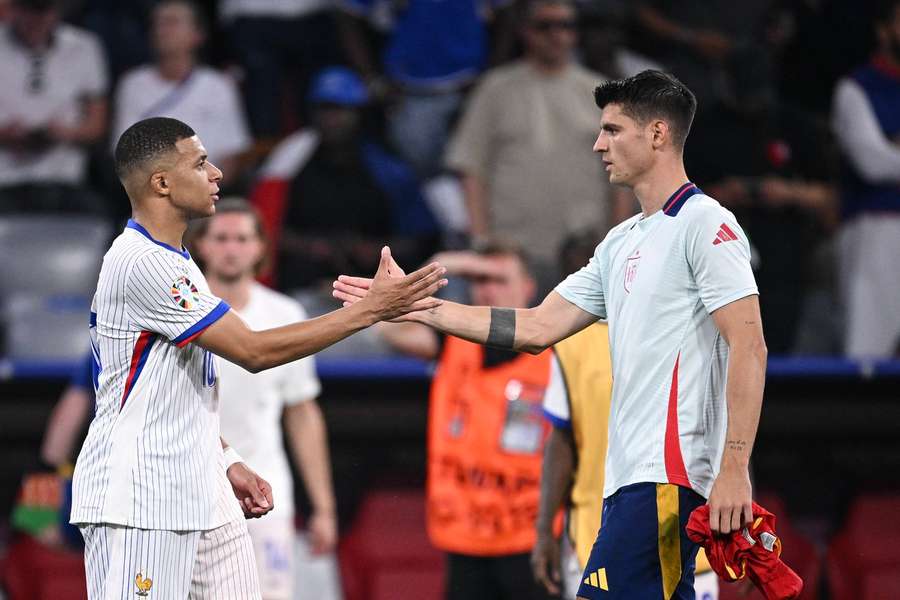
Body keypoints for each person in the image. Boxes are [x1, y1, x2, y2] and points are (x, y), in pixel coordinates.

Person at [334, 70, 767, 599]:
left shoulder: (706, 225)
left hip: (668, 477)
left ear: (657, 134)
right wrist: (419, 307)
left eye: (612, 130)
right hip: (628, 480)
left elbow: (750, 346)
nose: (597, 144)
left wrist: (735, 469)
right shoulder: (620, 242)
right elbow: (537, 325)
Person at [70, 116, 447, 599]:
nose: (217, 174)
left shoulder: (178, 260)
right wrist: (372, 310)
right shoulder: (143, 263)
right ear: (161, 183)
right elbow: (253, 350)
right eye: (201, 163)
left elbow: (174, 388)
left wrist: (224, 457)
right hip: (139, 498)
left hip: (202, 483)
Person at [529, 234, 719, 600]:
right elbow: (561, 441)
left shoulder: (694, 328)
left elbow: (724, 425)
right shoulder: (572, 346)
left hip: (674, 529)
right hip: (621, 534)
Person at [368, 241, 554, 600]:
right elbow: (384, 324)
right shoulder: (451, 343)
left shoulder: (556, 353)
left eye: (498, 278)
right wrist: (444, 263)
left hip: (529, 534)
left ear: (529, 287)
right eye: (478, 278)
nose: (488, 288)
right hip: (463, 532)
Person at [191, 198, 340, 600]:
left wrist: (323, 508)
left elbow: (302, 413)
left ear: (260, 247)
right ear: (201, 244)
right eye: (221, 237)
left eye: (242, 238)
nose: (231, 248)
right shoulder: (181, 309)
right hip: (190, 495)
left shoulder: (284, 312)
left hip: (267, 496)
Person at [445, 0, 620, 291]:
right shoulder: (495, 88)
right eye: (544, 26)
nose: (555, 34)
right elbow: (470, 166)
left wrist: (615, 240)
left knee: (585, 338)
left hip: (584, 251)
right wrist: (480, 241)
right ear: (525, 31)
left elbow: (622, 171)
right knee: (508, 336)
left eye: (565, 25)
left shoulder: (600, 91)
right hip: (511, 253)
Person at [251, 66, 439, 293]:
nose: (332, 119)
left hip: (373, 290)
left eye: (341, 110)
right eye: (325, 109)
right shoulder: (290, 162)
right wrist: (312, 246)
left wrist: (376, 250)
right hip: (302, 288)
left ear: (359, 113)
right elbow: (264, 228)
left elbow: (422, 237)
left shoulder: (389, 170)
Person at [338, 0, 516, 178]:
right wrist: (372, 79)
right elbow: (347, 13)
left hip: (468, 88)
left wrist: (492, 77)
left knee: (476, 182)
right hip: (411, 94)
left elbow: (509, 13)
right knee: (420, 189)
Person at [112, 0, 252, 183]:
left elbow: (231, 155)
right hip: (149, 193)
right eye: (157, 23)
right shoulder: (132, 84)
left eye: (172, 22)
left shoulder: (218, 86)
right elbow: (124, 153)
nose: (161, 30)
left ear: (197, 35)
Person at [831, 0, 900, 358]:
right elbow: (872, 162)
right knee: (867, 355)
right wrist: (887, 152)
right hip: (875, 230)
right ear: (884, 30)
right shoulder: (856, 89)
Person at [0, 0, 108, 212]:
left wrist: (63, 133)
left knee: (101, 221)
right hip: (4, 180)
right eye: (29, 10)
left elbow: (97, 125)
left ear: (56, 12)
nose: (35, 20)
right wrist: (6, 135)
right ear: (13, 9)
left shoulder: (84, 46)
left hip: (63, 180)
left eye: (42, 10)